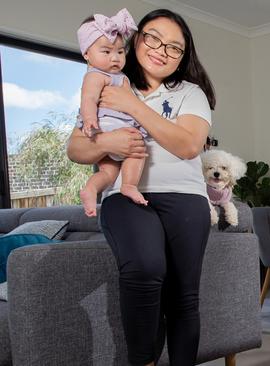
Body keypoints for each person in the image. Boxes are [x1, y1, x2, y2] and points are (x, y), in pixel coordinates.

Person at [67, 8, 216, 366]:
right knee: (144, 269)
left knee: (183, 296)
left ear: (183, 57)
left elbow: (188, 145)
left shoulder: (190, 93)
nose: (161, 50)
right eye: (152, 37)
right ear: (136, 39)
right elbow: (76, 148)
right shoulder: (107, 81)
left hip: (185, 199)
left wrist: (132, 105)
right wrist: (109, 143)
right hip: (125, 195)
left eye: (174, 47)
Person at [76, 9, 148, 217]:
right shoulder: (95, 76)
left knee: (108, 172)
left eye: (119, 52)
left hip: (112, 127)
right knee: (138, 149)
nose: (115, 58)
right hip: (108, 125)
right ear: (87, 54)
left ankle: (91, 189)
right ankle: (129, 184)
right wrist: (89, 119)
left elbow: (131, 103)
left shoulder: (121, 76)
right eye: (106, 52)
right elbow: (88, 99)